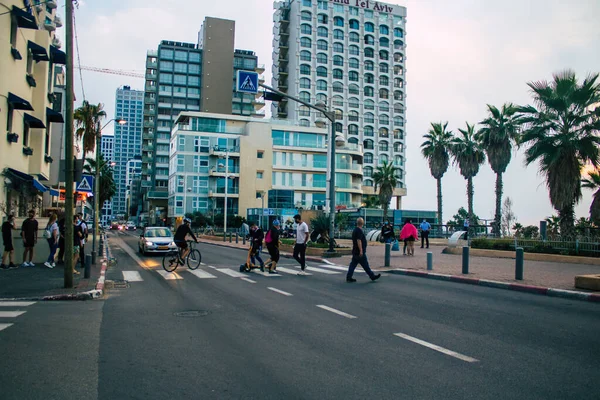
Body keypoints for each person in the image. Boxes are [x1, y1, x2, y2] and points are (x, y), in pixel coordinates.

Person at [346, 217, 381, 283]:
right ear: (362, 223)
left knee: (353, 264)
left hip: (355, 250)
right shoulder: (359, 231)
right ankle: (372, 276)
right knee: (365, 265)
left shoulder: (355, 230)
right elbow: (359, 240)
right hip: (359, 251)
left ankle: (349, 277)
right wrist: (361, 250)